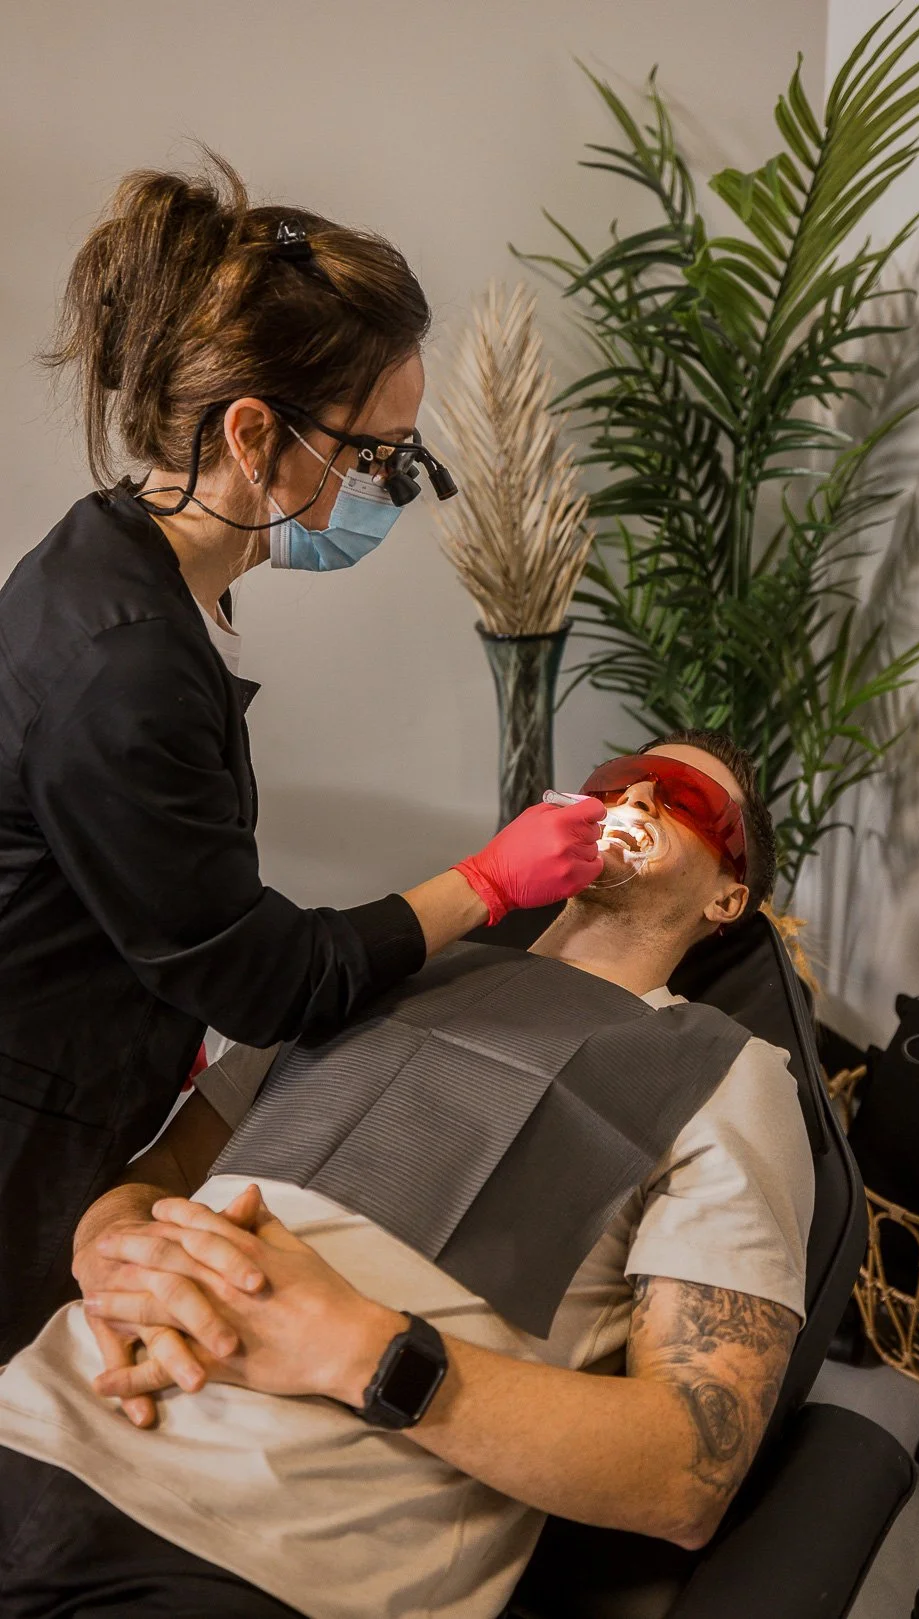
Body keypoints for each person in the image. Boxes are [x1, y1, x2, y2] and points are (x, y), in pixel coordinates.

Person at [0, 154, 604, 1355]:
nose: (392, 483)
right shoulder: (122, 659)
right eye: (376, 454)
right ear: (252, 431)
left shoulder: (132, 563)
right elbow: (265, 979)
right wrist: (491, 880)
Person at [0, 730, 815, 1619]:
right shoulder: (385, 965)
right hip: (34, 1417)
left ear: (731, 896)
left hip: (255, 1552)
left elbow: (691, 1469)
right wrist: (103, 1238)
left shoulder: (727, 1071)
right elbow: (171, 1166)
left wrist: (363, 1348)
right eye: (625, 780)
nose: (642, 800)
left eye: (687, 802)